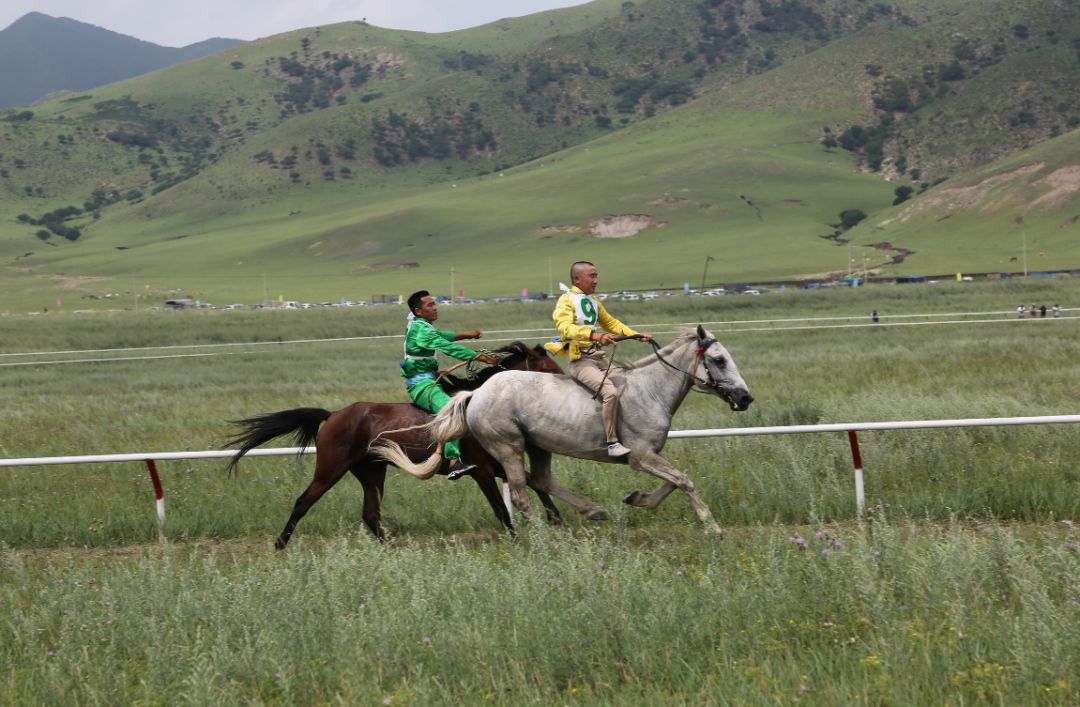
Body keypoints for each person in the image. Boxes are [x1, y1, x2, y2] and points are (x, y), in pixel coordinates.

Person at [544, 261, 652, 456]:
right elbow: (565, 328)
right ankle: (611, 443)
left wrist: (635, 335)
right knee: (610, 392)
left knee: (628, 383)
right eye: (591, 276)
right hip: (580, 362)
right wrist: (594, 336)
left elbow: (610, 323)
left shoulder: (593, 300)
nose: (596, 280)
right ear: (577, 279)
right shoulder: (566, 300)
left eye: (596, 276)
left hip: (598, 358)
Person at [401, 290, 497, 480]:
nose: (435, 308)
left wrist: (468, 335)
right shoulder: (421, 329)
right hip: (420, 385)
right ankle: (453, 461)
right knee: (452, 409)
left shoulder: (422, 325)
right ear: (418, 311)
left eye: (434, 303)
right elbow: (446, 346)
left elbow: (444, 335)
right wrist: (479, 357)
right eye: (430, 305)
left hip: (429, 378)